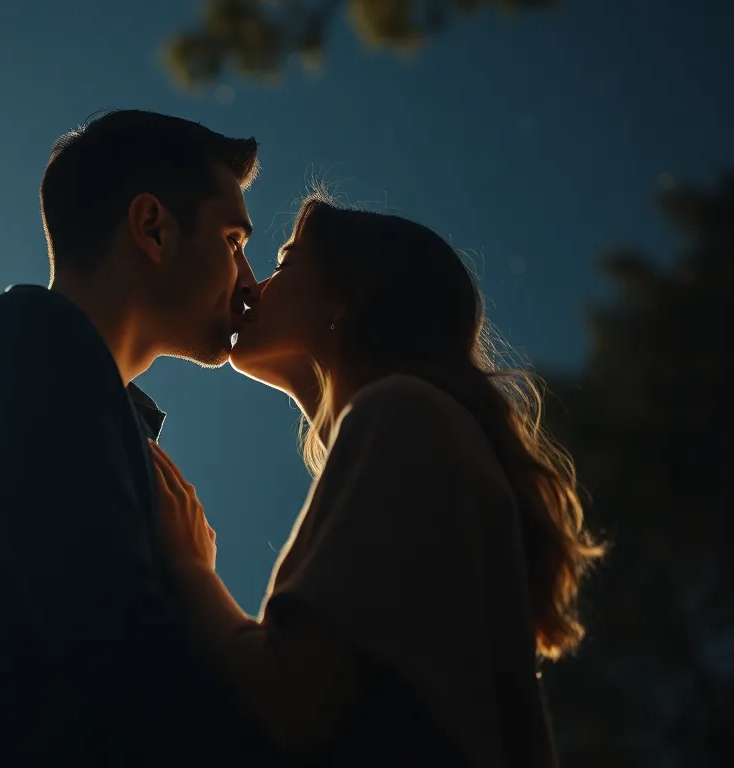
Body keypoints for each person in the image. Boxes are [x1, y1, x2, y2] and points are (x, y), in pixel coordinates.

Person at [149, 195, 605, 767]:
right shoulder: (418, 428)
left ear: (350, 293)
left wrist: (189, 566)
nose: (251, 287)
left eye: (285, 263)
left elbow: (291, 705)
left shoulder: (404, 415)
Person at [0, 110, 276, 766]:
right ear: (152, 227)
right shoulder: (30, 347)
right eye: (234, 241)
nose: (249, 282)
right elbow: (121, 659)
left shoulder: (65, 378)